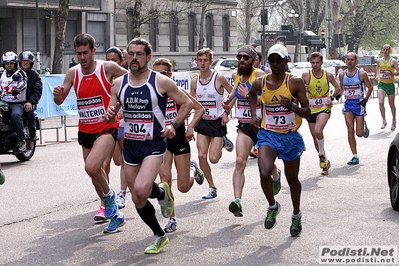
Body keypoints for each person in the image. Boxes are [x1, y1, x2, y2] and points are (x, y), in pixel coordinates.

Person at [105, 38, 192, 254]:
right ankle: (159, 233)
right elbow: (110, 114)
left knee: (142, 189)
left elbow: (188, 103)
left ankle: (161, 195)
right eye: (131, 54)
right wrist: (109, 115)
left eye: (139, 54)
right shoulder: (118, 84)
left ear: (148, 57)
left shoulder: (160, 81)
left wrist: (173, 125)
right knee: (137, 196)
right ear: (126, 56)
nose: (134, 58)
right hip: (130, 146)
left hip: (154, 143)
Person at [53, 33, 128, 233]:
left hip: (106, 127)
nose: (82, 57)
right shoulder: (73, 73)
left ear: (94, 51)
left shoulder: (107, 68)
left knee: (92, 166)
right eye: (79, 53)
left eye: (86, 52)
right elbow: (60, 101)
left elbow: (132, 79)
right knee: (95, 174)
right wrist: (58, 97)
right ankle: (115, 215)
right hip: (85, 129)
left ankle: (110, 198)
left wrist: (117, 103)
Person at [249, 44, 310, 237]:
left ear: (286, 61)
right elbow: (251, 94)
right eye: (272, 60)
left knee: (292, 179)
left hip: (290, 136)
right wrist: (254, 115)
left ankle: (296, 214)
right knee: (264, 172)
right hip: (268, 134)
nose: (275, 64)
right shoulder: (261, 82)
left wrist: (293, 106)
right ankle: (272, 205)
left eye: (279, 60)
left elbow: (307, 112)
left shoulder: (295, 83)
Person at [222, 45, 280, 217]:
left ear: (253, 60)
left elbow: (270, 98)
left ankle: (276, 175)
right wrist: (227, 106)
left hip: (262, 126)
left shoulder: (261, 75)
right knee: (240, 161)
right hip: (245, 126)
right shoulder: (236, 75)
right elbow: (234, 93)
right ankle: (237, 201)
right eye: (239, 57)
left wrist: (250, 95)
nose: (241, 60)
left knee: (266, 165)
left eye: (245, 57)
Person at [153, 58, 205, 233]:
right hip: (160, 140)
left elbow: (199, 109)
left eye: (163, 73)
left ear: (170, 74)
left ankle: (193, 169)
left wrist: (190, 127)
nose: (159, 77)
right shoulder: (150, 93)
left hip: (179, 138)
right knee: (165, 180)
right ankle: (172, 218)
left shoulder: (177, 91)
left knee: (183, 187)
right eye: (155, 73)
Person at [190, 48, 234, 199]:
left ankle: (223, 140)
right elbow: (191, 102)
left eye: (205, 60)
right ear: (196, 61)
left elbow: (233, 93)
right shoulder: (194, 81)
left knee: (213, 159)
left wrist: (227, 112)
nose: (202, 63)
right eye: (199, 60)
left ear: (210, 61)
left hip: (217, 122)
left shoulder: (219, 78)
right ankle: (212, 187)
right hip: (202, 122)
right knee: (202, 157)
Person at [301, 51, 340, 175]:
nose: (315, 65)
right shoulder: (305, 75)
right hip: (310, 108)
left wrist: (332, 98)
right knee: (315, 137)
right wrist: (303, 89)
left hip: (324, 107)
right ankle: (324, 160)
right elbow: (298, 92)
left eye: (317, 62)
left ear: (322, 63)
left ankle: (322, 154)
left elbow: (338, 88)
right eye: (312, 63)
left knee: (318, 131)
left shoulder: (327, 75)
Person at [102, 46, 128, 213]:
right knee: (103, 163)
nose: (110, 63)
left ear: (121, 62)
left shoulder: (126, 79)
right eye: (108, 60)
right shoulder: (101, 77)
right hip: (106, 125)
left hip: (123, 123)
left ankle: (123, 193)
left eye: (114, 61)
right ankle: (106, 200)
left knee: (121, 161)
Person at [338, 52, 373, 165]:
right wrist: (338, 94)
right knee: (350, 130)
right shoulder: (342, 74)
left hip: (359, 104)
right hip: (348, 104)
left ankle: (363, 127)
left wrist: (365, 99)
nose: (349, 61)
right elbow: (341, 88)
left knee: (359, 133)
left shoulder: (361, 74)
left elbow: (370, 87)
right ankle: (354, 155)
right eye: (347, 59)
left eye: (352, 59)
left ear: (356, 61)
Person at [0, 51, 28, 152]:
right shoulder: (1, 74)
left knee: (15, 115)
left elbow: (24, 83)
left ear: (15, 63)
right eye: (7, 63)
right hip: (3, 102)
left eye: (11, 63)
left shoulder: (20, 73)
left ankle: (22, 141)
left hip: (17, 103)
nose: (9, 65)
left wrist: (18, 90)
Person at [250, 51, 271, 158]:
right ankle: (256, 146)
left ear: (260, 61)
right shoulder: (248, 72)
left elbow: (269, 91)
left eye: (256, 60)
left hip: (263, 105)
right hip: (252, 106)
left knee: (261, 127)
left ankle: (258, 148)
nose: (254, 63)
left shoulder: (265, 71)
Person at [18, 51, 43, 142]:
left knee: (28, 109)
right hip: (16, 101)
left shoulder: (34, 76)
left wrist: (30, 101)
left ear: (31, 63)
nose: (25, 63)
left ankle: (32, 134)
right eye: (23, 61)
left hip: (29, 101)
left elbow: (37, 91)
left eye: (27, 61)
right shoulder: (16, 74)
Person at [377, 44, 399, 130]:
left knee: (391, 105)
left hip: (390, 84)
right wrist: (377, 76)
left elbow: (398, 71)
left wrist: (392, 73)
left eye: (387, 50)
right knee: (381, 102)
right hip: (382, 84)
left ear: (390, 51)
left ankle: (393, 120)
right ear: (382, 50)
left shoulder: (393, 61)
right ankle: (383, 120)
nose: (385, 51)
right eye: (384, 50)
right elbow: (377, 70)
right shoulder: (379, 61)